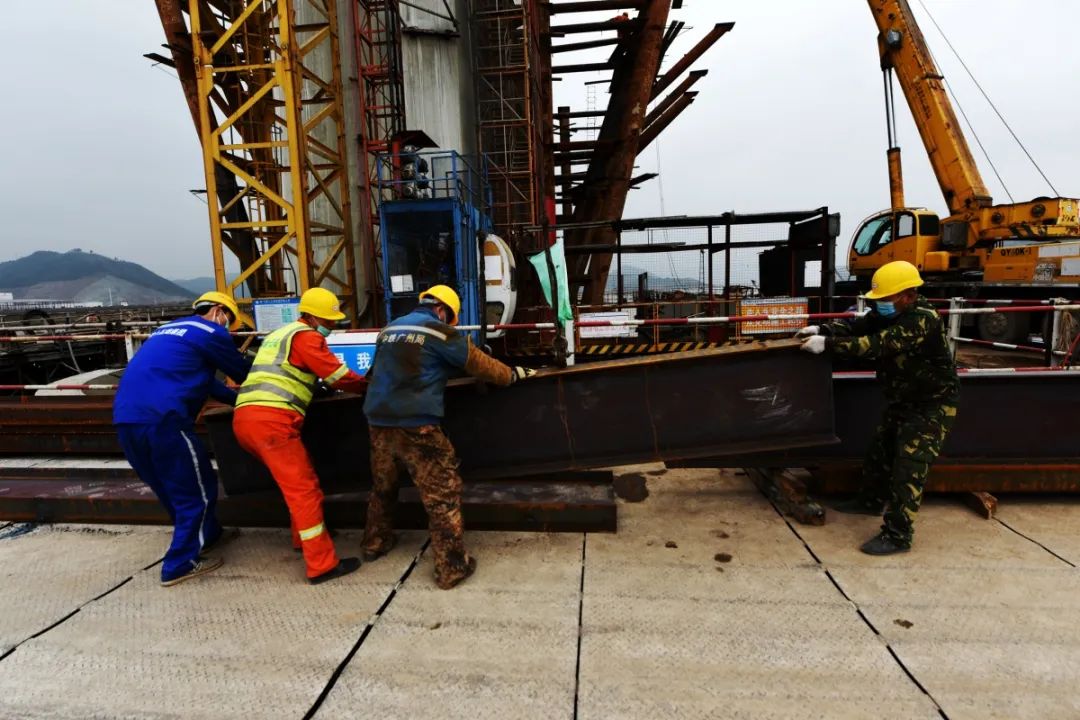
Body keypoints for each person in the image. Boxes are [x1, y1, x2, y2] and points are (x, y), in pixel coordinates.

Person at [361, 285, 536, 589]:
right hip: (417, 425)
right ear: (443, 310)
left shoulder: (389, 330)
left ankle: (375, 543)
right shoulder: (441, 332)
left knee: (383, 485)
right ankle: (452, 567)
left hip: (377, 420)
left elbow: (376, 373)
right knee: (442, 494)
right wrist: (513, 374)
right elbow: (481, 365)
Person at [797, 260, 959, 555]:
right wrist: (823, 327)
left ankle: (898, 535)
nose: (880, 305)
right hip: (903, 400)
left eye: (884, 299)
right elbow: (859, 325)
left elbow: (875, 344)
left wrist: (829, 345)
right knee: (880, 452)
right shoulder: (892, 312)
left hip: (931, 406)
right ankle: (869, 501)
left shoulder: (922, 319)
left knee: (908, 468)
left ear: (907, 296)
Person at [113, 291, 251, 586]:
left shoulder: (168, 331)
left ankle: (209, 534)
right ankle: (179, 564)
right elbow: (243, 371)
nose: (228, 327)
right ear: (218, 310)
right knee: (197, 489)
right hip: (165, 420)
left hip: (126, 419)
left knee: (169, 487)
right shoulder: (210, 331)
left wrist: (235, 399)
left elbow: (202, 381)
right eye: (230, 321)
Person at [232, 287, 368, 585]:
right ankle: (321, 565)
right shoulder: (307, 337)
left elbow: (289, 373)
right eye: (330, 321)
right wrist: (369, 386)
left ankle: (302, 539)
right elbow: (337, 376)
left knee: (297, 485)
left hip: (246, 419)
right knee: (304, 490)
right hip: (272, 423)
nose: (331, 327)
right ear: (313, 316)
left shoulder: (280, 335)